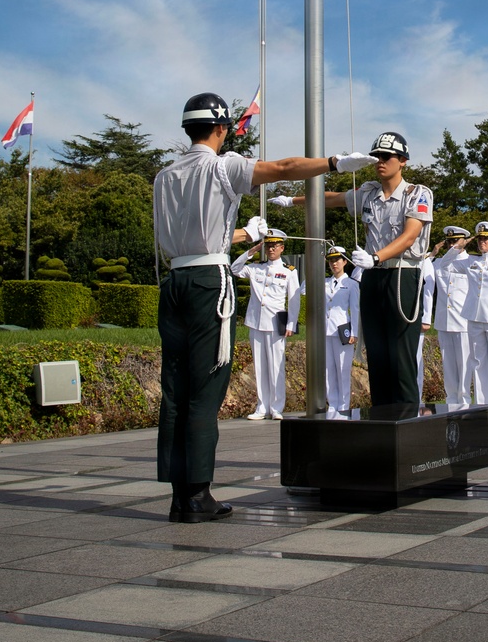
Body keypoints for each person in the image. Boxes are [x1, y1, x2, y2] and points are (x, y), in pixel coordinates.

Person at [154, 91, 374, 523]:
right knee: (205, 388)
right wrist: (334, 163)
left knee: (175, 390)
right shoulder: (222, 164)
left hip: (174, 279)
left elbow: (191, 234)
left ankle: (179, 493)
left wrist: (242, 234)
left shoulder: (165, 175)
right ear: (220, 129)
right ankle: (198, 495)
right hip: (207, 284)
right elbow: (284, 169)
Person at [273, 131, 433, 409]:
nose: (380, 162)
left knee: (401, 351)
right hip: (373, 276)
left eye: (386, 156)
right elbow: (331, 198)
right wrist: (292, 201)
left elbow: (410, 235)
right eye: (376, 157)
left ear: (403, 161)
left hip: (401, 274)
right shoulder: (369, 194)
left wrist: (375, 256)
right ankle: (383, 412)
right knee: (377, 349)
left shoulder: (417, 193)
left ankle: (406, 413)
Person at [231, 228, 303, 420]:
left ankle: (277, 407)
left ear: (282, 248)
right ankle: (262, 407)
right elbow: (234, 269)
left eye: (275, 246)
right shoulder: (256, 267)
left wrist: (291, 324)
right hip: (256, 322)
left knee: (276, 366)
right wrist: (251, 251)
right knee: (260, 367)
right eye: (268, 245)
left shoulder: (288, 271)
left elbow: (294, 299)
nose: (271, 249)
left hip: (276, 323)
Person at [447, 222, 488, 410]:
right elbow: (445, 265)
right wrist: (457, 248)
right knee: (478, 363)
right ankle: (483, 407)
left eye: (486, 238)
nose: (482, 242)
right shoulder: (471, 261)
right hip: (474, 317)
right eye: (480, 238)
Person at [431, 226, 474, 409]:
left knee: (464, 364)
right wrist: (432, 253)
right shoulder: (438, 262)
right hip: (443, 319)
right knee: (448, 365)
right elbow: (423, 265)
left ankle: (464, 402)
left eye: (455, 241)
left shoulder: (471, 262)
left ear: (463, 242)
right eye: (449, 241)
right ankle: (451, 401)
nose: (451, 245)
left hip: (462, 321)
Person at [323, 245, 359, 416]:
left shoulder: (351, 284)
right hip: (326, 330)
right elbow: (303, 289)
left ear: (345, 261)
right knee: (329, 369)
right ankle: (332, 403)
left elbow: (355, 309)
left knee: (343, 369)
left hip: (343, 329)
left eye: (337, 260)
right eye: (331, 260)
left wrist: (355, 332)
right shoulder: (324, 282)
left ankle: (344, 404)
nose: (334, 263)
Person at [416, 253, 436, 403]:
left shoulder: (425, 261)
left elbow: (428, 290)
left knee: (416, 360)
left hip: (417, 316)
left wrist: (426, 318)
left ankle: (417, 399)